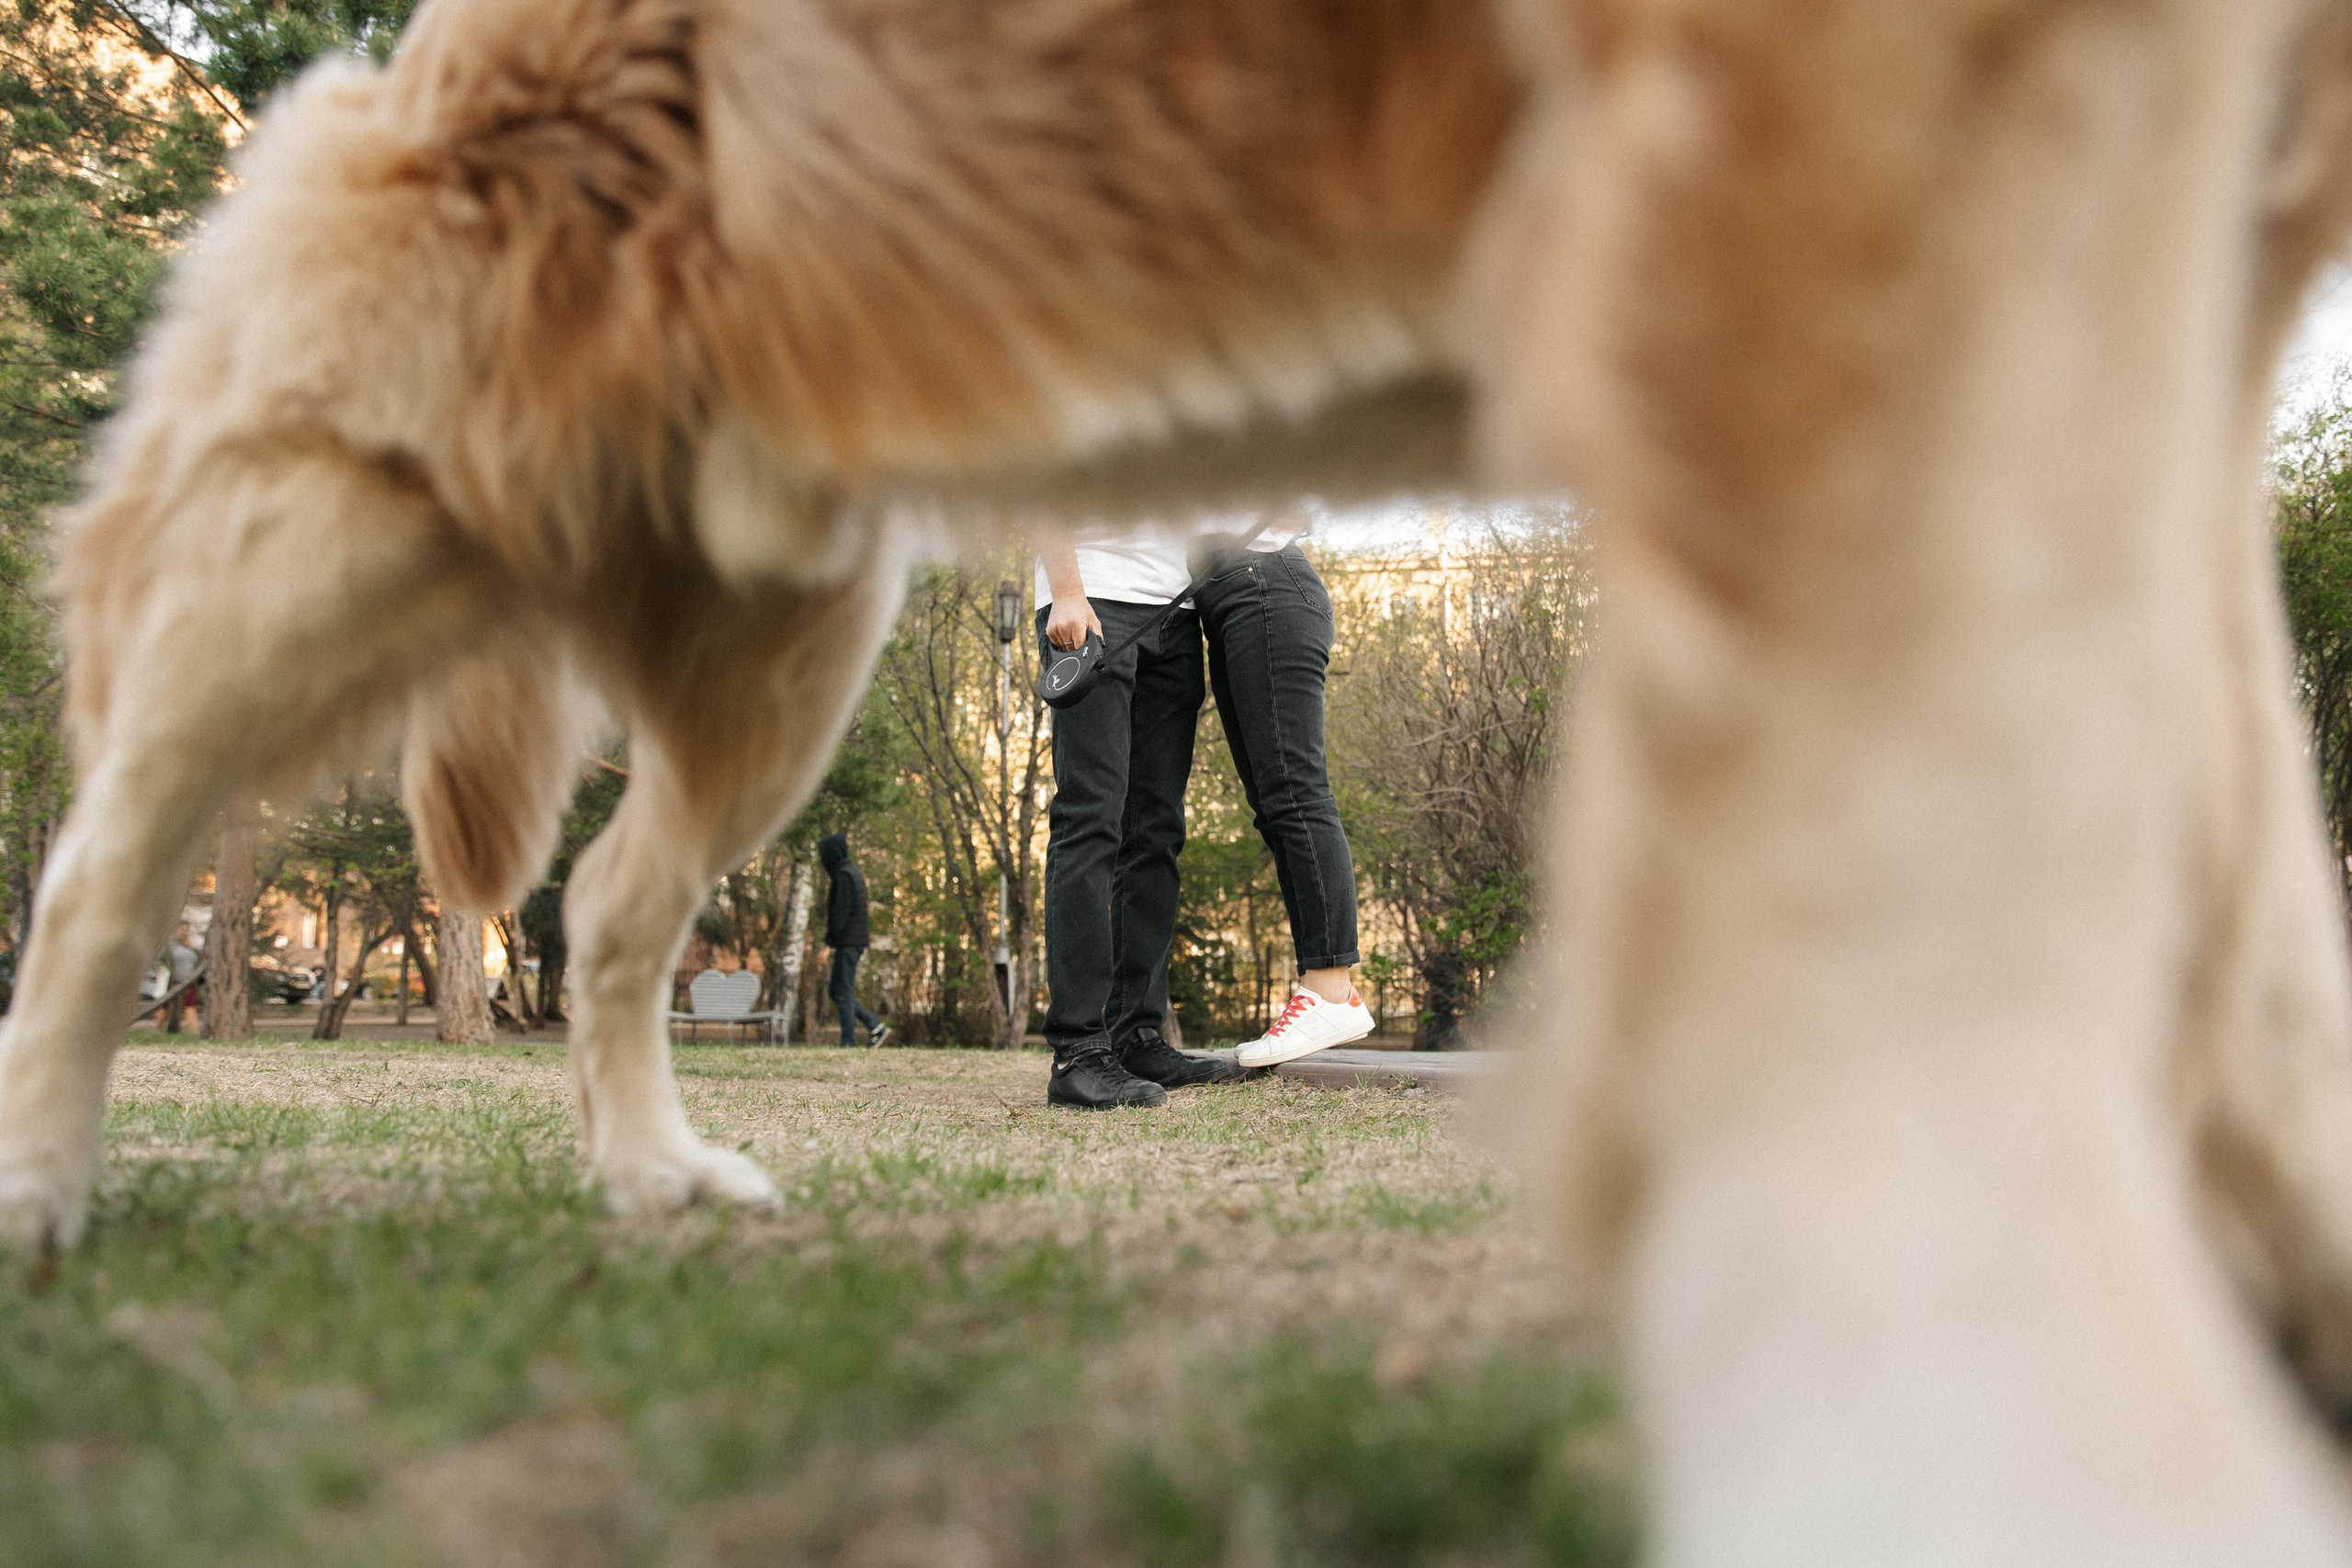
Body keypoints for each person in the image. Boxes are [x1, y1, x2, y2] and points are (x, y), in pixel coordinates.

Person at [1035, 530, 1241, 1109]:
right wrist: (1067, 591)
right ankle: (1076, 1049)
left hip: (1180, 612)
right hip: (1093, 603)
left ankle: (1138, 1036)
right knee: (1090, 819)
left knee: (1157, 830)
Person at [1191, 523, 1376, 1069]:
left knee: (1296, 796)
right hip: (1231, 596)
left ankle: (1331, 989)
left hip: (1264, 584)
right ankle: (1329, 991)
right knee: (1275, 806)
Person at [818, 833, 890, 1047]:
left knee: (843, 990)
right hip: (852, 940)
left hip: (848, 941)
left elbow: (839, 916)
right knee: (837, 990)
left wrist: (827, 944)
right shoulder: (851, 872)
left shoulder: (843, 876)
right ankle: (875, 1026)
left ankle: (848, 1041)